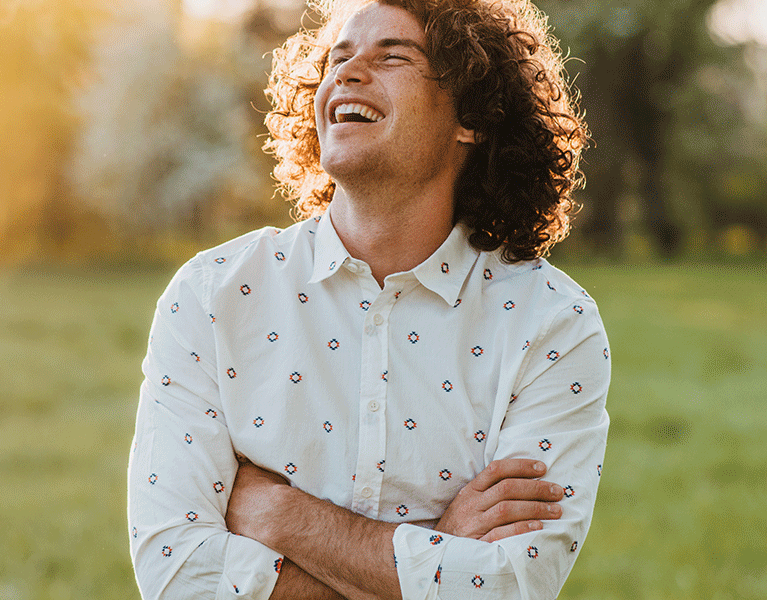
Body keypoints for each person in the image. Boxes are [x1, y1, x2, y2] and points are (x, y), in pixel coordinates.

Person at [127, 0, 609, 598]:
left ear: (471, 117)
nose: (348, 73)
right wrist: (437, 552)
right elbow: (173, 572)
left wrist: (281, 517)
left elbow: (510, 586)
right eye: (338, 57)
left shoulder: (555, 326)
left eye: (392, 56)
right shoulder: (211, 295)